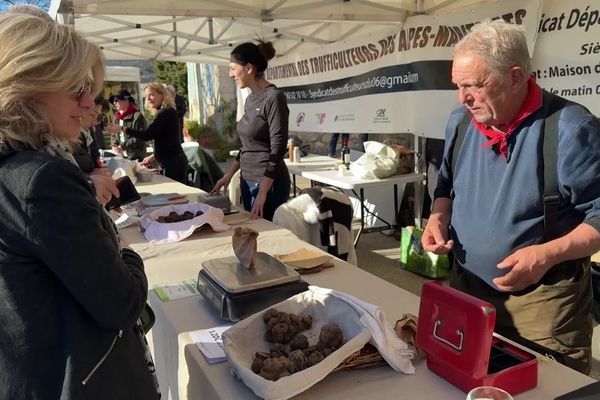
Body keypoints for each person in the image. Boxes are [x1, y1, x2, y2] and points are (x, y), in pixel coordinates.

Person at [421, 19, 600, 374]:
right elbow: (445, 189)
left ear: (516, 77)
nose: (463, 97)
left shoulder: (571, 128)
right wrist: (438, 217)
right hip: (466, 290)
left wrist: (547, 253)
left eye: (474, 85)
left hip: (541, 308)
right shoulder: (459, 121)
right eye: (458, 86)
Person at [0, 11, 160, 399]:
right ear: (29, 88)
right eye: (76, 89)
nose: (89, 102)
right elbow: (121, 302)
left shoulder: (18, 170)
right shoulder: (45, 178)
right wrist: (127, 253)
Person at [210, 40, 290, 221]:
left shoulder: (274, 98)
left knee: (268, 238)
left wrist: (263, 191)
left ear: (248, 68)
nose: (230, 74)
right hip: (247, 180)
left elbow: (278, 149)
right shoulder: (251, 99)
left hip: (268, 185)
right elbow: (247, 146)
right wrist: (228, 175)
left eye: (233, 68)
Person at [111, 82, 188, 183]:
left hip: (173, 164)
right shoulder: (164, 111)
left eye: (151, 95)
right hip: (170, 161)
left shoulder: (165, 112)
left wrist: (123, 129)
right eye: (147, 96)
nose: (148, 99)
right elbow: (165, 140)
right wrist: (154, 156)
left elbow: (147, 135)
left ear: (162, 95)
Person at [107, 89, 147, 161]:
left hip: (137, 158)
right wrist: (114, 144)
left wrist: (122, 146)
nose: (114, 103)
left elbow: (141, 137)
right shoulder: (116, 118)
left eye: (116, 100)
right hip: (121, 157)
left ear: (126, 100)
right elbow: (113, 135)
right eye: (113, 101)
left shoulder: (138, 116)